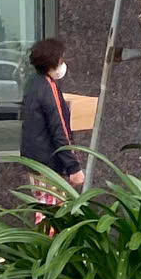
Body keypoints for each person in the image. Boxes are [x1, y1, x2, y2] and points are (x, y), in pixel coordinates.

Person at [19, 36, 85, 199]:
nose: (63, 64)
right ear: (52, 62)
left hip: (35, 162)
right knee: (53, 210)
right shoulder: (49, 88)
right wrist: (73, 167)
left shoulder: (33, 84)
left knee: (43, 207)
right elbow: (59, 129)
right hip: (49, 165)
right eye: (61, 60)